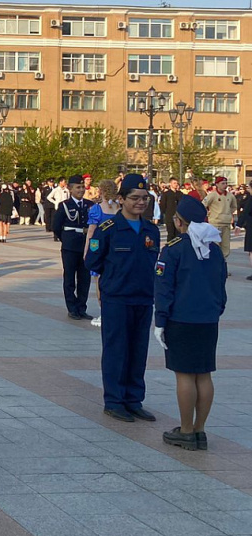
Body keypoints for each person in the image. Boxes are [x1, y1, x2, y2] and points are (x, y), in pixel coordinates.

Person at [85, 173, 160, 423]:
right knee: (117, 350)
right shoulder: (108, 229)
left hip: (143, 298)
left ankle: (133, 400)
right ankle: (114, 401)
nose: (141, 203)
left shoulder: (151, 230)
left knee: (138, 351)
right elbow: (92, 261)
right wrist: (104, 283)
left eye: (145, 198)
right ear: (121, 199)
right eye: (135, 198)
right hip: (116, 298)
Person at [154, 196, 226, 451]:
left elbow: (164, 290)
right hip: (207, 321)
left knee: (185, 376)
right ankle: (199, 430)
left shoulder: (172, 250)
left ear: (179, 221)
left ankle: (185, 431)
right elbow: (221, 287)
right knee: (204, 375)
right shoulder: (214, 249)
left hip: (181, 320)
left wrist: (160, 321)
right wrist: (215, 311)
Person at [53, 174, 92, 321]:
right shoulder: (65, 205)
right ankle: (72, 308)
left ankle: (82, 307)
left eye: (83, 187)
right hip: (70, 245)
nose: (81, 190)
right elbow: (56, 226)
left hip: (85, 246)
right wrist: (65, 239)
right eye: (78, 187)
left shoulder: (90, 205)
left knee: (84, 278)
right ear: (70, 188)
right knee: (69, 278)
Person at [84, 178, 121, 328]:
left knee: (99, 281)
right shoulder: (120, 209)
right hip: (117, 249)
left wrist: (87, 251)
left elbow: (91, 232)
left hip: (100, 248)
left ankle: (103, 311)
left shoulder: (96, 209)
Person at [203, 177, 237, 259]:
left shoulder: (230, 196)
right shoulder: (212, 195)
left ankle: (223, 264)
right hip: (215, 223)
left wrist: (228, 213)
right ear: (217, 184)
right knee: (215, 245)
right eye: (222, 183)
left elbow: (234, 206)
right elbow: (203, 204)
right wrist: (208, 213)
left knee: (225, 246)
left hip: (226, 223)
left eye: (226, 183)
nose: (225, 185)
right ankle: (215, 267)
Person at [159, 179, 183, 244]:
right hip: (170, 215)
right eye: (174, 183)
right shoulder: (166, 194)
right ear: (170, 184)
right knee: (170, 233)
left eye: (177, 183)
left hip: (178, 216)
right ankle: (169, 247)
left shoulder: (180, 194)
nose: (176, 184)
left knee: (178, 233)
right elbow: (163, 205)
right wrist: (165, 212)